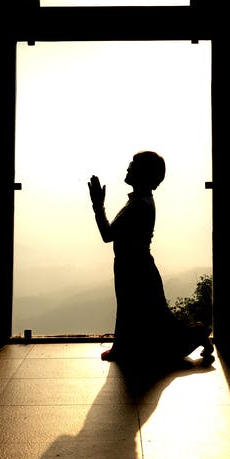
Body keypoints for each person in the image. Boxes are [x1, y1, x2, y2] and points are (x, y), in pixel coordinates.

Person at [89, 151, 212, 365]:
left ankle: (197, 335)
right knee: (147, 314)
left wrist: (98, 206)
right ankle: (193, 337)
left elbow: (107, 235)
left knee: (139, 311)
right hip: (136, 265)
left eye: (132, 165)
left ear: (143, 174)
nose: (128, 168)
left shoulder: (138, 205)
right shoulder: (141, 201)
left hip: (134, 266)